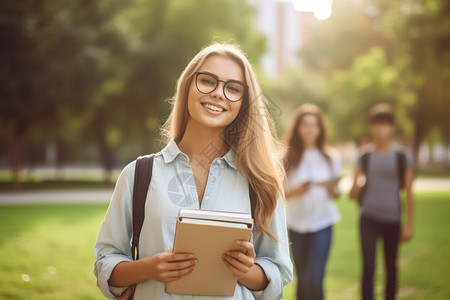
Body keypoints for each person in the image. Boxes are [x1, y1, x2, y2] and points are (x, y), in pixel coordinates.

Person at [94, 42, 293, 300]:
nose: (219, 94)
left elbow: (278, 271)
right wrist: (147, 268)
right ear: (188, 86)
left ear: (243, 103)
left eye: (233, 88)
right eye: (208, 81)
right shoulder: (138, 174)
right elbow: (105, 260)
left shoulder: (260, 181)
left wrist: (245, 272)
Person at [349, 103, 414, 300]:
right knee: (368, 266)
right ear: (371, 127)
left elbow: (409, 192)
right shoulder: (364, 156)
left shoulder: (403, 157)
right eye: (377, 125)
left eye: (385, 125)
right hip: (368, 216)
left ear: (392, 127)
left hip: (392, 218)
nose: (380, 129)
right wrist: (357, 186)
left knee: (390, 266)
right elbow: (352, 194)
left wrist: (409, 224)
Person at [283, 104, 341, 300]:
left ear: (320, 129)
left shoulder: (330, 157)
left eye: (314, 125)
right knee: (302, 280)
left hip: (322, 223)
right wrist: (295, 191)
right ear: (297, 128)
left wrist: (331, 188)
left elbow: (337, 194)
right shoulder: (287, 158)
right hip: (296, 224)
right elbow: (278, 194)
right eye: (305, 125)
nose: (309, 129)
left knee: (314, 280)